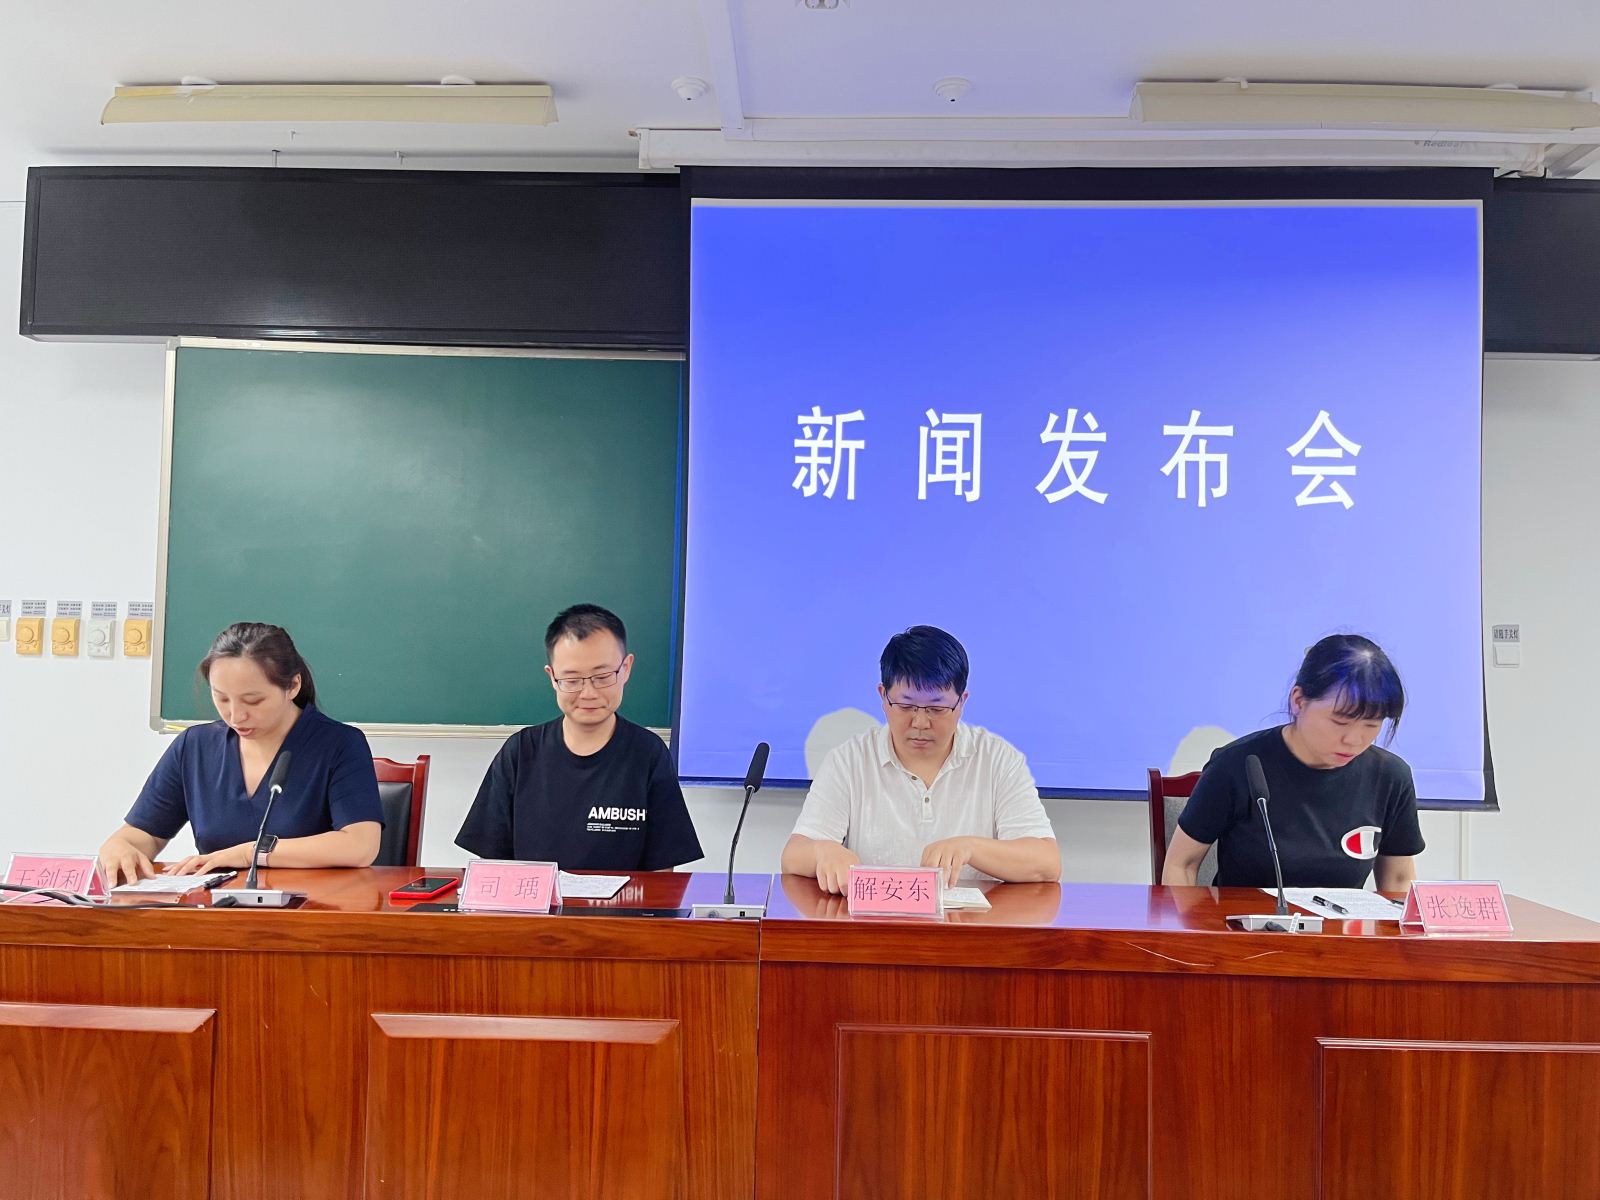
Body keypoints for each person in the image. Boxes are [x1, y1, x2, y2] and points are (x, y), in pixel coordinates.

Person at [780, 625, 1060, 894]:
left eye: (937, 708)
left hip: (969, 924)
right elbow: (793, 856)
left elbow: (1046, 863)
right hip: (876, 922)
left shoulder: (997, 759)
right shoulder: (849, 760)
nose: (921, 722)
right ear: (883, 696)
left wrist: (971, 848)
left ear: (962, 701)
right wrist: (823, 851)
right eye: (906, 706)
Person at [99, 623, 384, 884]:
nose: (236, 716)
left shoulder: (339, 744)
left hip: (313, 909)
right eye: (221, 698)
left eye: (253, 700)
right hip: (218, 911)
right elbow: (143, 834)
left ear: (293, 686)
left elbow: (360, 846)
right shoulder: (195, 746)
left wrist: (251, 853)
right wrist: (120, 846)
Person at [1162, 633, 1424, 891]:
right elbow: (1181, 865)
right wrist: (1189, 919)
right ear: (1298, 701)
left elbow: (1398, 881)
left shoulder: (1390, 777)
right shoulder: (1237, 765)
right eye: (1340, 721)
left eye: (1372, 724)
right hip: (1245, 919)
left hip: (1342, 921)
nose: (1354, 740)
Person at [455, 603, 703, 870]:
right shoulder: (521, 752)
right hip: (537, 898)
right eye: (572, 680)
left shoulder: (649, 753)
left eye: (603, 676)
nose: (588, 693)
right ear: (552, 677)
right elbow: (492, 865)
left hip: (623, 898)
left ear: (626, 668)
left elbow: (663, 871)